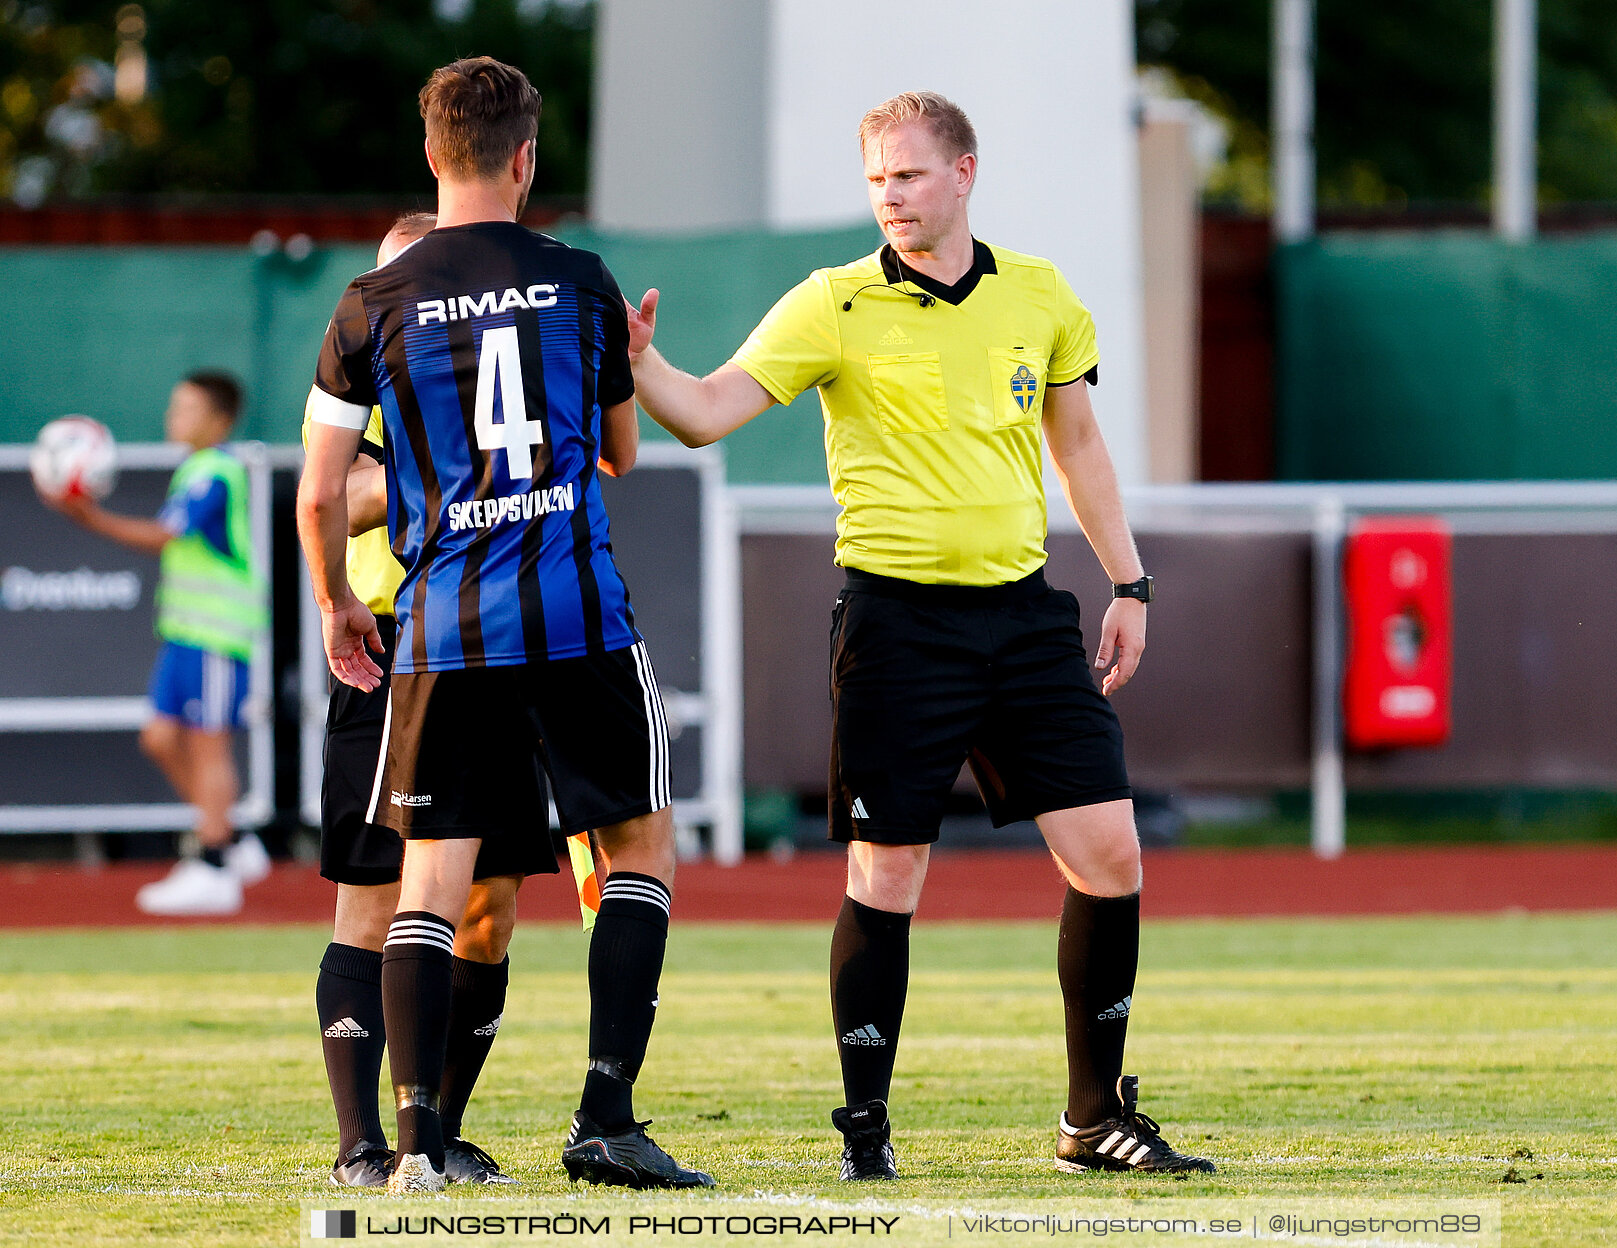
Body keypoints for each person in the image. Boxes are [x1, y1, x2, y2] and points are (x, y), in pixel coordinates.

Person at [626, 91, 1215, 1180]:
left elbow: (1079, 448)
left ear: (964, 173)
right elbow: (704, 412)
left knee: (1113, 857)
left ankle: (1094, 1117)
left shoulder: (1040, 294)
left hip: (1027, 618)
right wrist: (637, 364)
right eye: (875, 182)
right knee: (888, 873)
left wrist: (1130, 581)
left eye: (908, 175)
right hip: (896, 625)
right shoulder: (833, 303)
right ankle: (865, 1130)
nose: (890, 198)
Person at [296, 56, 711, 1195]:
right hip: (578, 615)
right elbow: (623, 456)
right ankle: (606, 1119)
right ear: (528, 160)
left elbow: (320, 490)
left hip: (440, 627)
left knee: (430, 882)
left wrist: (337, 598)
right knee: (638, 853)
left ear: (433, 156)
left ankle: (415, 1145)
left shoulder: (371, 301)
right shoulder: (581, 283)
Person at [305, 211, 544, 1188]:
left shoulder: (504, 367)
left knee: (487, 912)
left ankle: (433, 1128)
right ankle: (359, 1140)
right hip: (394, 659)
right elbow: (339, 492)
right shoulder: (361, 374)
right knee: (370, 906)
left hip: (506, 654)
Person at [40, 372, 271, 916]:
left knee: (209, 745)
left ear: (220, 421)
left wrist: (89, 517)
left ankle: (214, 866)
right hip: (186, 632)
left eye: (188, 409)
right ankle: (233, 842)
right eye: (175, 406)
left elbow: (167, 535)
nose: (175, 417)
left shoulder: (217, 471)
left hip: (217, 632)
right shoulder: (195, 468)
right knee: (160, 738)